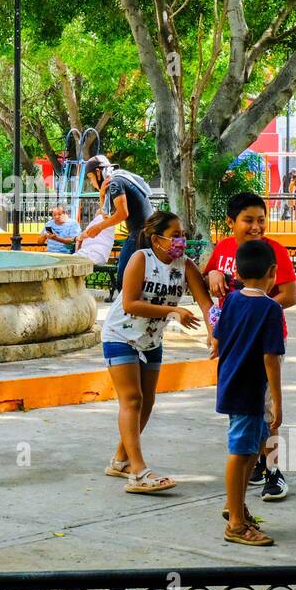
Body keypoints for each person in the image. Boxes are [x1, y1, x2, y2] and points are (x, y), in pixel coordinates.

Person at [101, 210, 215, 494]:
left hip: (151, 339)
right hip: (121, 334)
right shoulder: (141, 259)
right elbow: (129, 304)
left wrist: (214, 333)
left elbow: (205, 303)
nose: (181, 241)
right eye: (175, 235)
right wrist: (173, 310)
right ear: (156, 239)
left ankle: (120, 460)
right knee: (132, 399)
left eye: (183, 235)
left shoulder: (184, 265)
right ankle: (138, 473)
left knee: (148, 402)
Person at [204, 192, 296, 501]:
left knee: (267, 406)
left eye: (261, 219)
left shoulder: (275, 252)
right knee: (244, 408)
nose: (256, 226)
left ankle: (272, 469)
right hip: (235, 342)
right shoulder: (223, 249)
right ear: (231, 223)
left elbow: (290, 295)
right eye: (248, 220)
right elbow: (211, 277)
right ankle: (253, 463)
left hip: (266, 338)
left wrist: (258, 311)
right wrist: (215, 272)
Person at [212, 240, 286, 546]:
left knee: (253, 447)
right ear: (273, 271)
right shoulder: (270, 308)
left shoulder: (231, 300)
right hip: (249, 390)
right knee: (240, 453)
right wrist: (278, 402)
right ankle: (236, 523)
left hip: (233, 383)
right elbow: (271, 358)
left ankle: (236, 504)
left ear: (238, 272)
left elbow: (217, 337)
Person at [75, 155, 154, 292]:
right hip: (143, 233)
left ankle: (130, 309)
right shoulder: (116, 180)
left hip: (141, 234)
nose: (92, 182)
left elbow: (123, 214)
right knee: (131, 278)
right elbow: (107, 216)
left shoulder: (115, 183)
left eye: (90, 177)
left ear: (98, 172)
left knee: (124, 279)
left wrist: (98, 228)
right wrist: (101, 195)